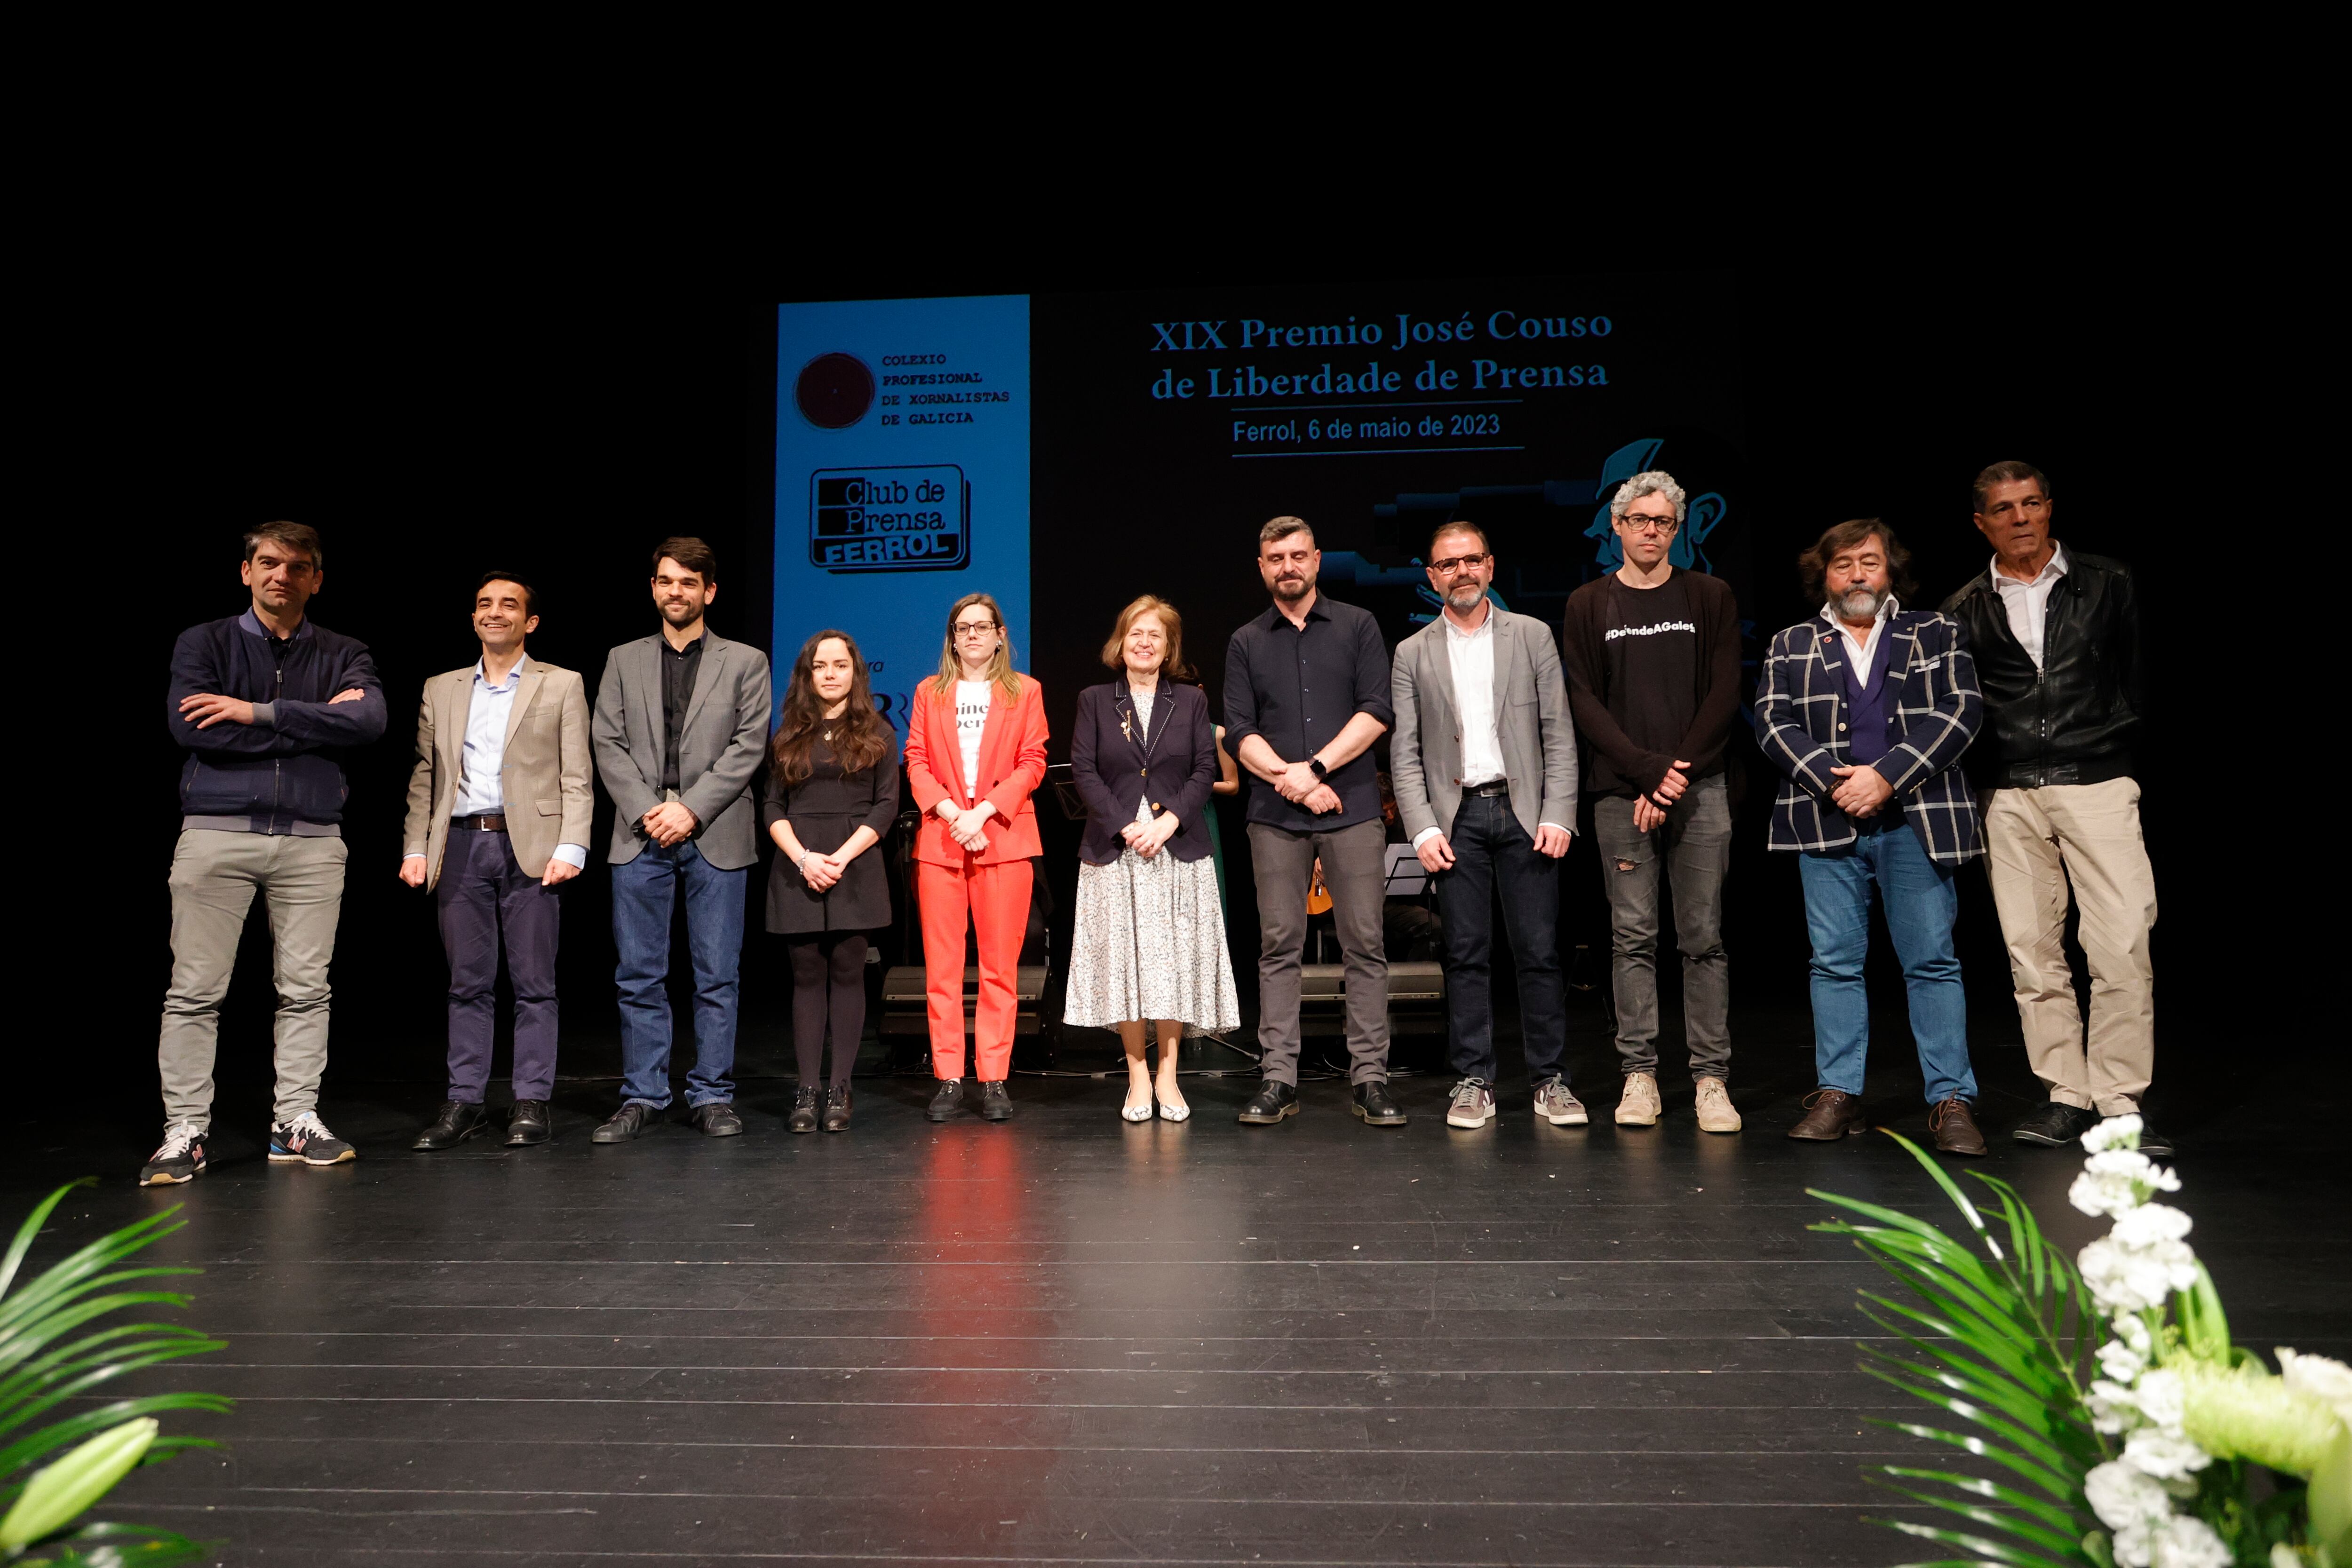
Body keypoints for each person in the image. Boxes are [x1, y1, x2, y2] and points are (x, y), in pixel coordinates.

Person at [145, 522, 386, 1185]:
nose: (283, 575)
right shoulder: (205, 642)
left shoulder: (345, 649)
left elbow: (367, 722)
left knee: (307, 990)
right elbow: (190, 725)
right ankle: (186, 1130)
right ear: (247, 572)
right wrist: (314, 720)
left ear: (316, 579)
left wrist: (254, 714)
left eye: (298, 566)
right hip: (217, 832)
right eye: (270, 563)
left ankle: (295, 1121)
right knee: (194, 991)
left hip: (312, 839)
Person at [1940, 462, 2166, 1156]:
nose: (2020, 518)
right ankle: (2066, 1092)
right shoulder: (1964, 606)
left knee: (2123, 939)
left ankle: (2121, 1098)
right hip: (2008, 792)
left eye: (2031, 503)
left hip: (2095, 780)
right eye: (2004, 509)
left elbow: (2136, 675)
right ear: (1982, 522)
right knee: (2033, 953)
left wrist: (2116, 745)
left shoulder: (2108, 581)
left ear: (2049, 508)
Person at [1756, 522, 1988, 1155]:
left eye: (1870, 562)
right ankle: (1839, 1094)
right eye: (1843, 565)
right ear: (1823, 575)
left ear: (1891, 571)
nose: (1857, 574)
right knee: (1833, 963)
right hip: (1826, 820)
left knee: (1932, 962)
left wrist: (1887, 776)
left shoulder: (1933, 631)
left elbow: (1961, 711)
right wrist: (1834, 782)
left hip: (1915, 818)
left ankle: (1951, 1099)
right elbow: (1772, 721)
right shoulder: (1791, 642)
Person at [1561, 471, 1745, 1133]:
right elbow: (1584, 700)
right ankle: (1639, 1076)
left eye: (1663, 522)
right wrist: (1645, 773)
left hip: (1702, 790)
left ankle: (1710, 1079)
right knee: (1632, 936)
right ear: (1617, 526)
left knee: (1703, 937)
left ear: (1678, 528)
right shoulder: (1588, 603)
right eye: (1638, 520)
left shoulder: (1710, 595)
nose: (1650, 531)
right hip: (1620, 793)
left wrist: (1674, 778)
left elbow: (1725, 693)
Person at [1390, 520, 1583, 1131]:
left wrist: (1559, 812)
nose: (1461, 572)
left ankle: (1550, 1081)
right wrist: (1421, 828)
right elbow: (1406, 750)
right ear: (1432, 577)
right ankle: (1475, 1079)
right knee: (1466, 953)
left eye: (1471, 560)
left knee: (1539, 953)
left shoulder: (1532, 636)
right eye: (1448, 564)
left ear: (1491, 567)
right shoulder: (1411, 652)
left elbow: (1558, 731)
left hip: (1526, 812)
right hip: (1457, 817)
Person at [399, 574, 592, 1152]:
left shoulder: (561, 684)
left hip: (530, 847)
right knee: (467, 983)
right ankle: (466, 1100)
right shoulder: (443, 687)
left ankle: (531, 1099)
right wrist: (416, 846)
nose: (495, 612)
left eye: (509, 605)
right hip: (459, 845)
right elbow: (425, 776)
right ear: (474, 618)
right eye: (485, 604)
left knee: (534, 983)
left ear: (529, 621)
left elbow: (576, 774)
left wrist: (572, 846)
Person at [588, 539, 772, 1142]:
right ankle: (643, 1093)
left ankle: (712, 1093)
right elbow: (607, 744)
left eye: (688, 583)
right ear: (653, 588)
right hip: (639, 833)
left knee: (716, 973)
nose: (676, 591)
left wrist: (689, 809)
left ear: (708, 592)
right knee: (638, 974)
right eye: (666, 581)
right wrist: (651, 810)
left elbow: (748, 746)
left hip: (714, 830)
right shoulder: (622, 658)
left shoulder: (745, 661)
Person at [1222, 516, 1401, 1127]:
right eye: (1277, 557)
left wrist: (1316, 769)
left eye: (1299, 555)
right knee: (1278, 947)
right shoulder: (1247, 641)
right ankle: (1278, 1080)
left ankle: (1370, 1080)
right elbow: (1240, 731)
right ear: (1262, 566)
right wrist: (1290, 780)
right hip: (1274, 816)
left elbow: (1377, 711)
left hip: (1350, 809)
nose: (1289, 566)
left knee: (1365, 946)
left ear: (1318, 560)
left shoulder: (1358, 626)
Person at [1063, 596, 1240, 1122]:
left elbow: (1205, 768)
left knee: (1173, 964)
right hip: (1115, 850)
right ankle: (1136, 1076)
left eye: (1155, 636)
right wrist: (1126, 823)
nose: (1144, 642)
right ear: (1120, 642)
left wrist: (1167, 822)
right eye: (1135, 633)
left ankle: (1168, 1075)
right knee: (1126, 963)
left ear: (1168, 649)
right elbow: (1085, 770)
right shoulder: (1095, 699)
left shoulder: (1189, 702)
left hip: (1176, 847)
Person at [903, 593, 1048, 1123]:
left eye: (981, 627)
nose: (971, 636)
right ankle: (947, 1076)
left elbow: (1033, 762)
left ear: (1000, 635)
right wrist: (950, 812)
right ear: (952, 637)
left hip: (1002, 840)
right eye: (962, 628)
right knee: (941, 969)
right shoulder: (928, 692)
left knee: (998, 969)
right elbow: (915, 760)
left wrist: (981, 813)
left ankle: (992, 1077)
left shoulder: (1025, 691)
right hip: (943, 841)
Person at [763, 630, 899, 1134]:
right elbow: (772, 806)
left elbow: (887, 805)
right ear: (807, 674)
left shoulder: (879, 733)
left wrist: (838, 858)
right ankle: (807, 1089)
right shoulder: (787, 735)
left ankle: (840, 1087)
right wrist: (803, 859)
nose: (829, 673)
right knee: (805, 975)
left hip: (853, 862)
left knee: (847, 971)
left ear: (854, 672)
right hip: (798, 865)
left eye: (839, 665)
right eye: (820, 666)